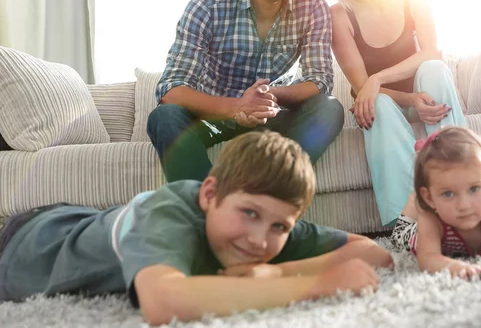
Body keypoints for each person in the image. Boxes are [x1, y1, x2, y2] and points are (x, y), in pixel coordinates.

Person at [0, 131, 393, 325]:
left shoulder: (266, 229)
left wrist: (277, 268)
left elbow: (374, 253)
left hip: (88, 220)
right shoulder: (168, 212)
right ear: (209, 194)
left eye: (279, 225)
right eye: (249, 214)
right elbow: (163, 304)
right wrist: (311, 284)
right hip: (24, 241)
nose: (259, 239)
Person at [147, 0, 344, 183]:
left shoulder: (312, 8)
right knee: (165, 116)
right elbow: (171, 90)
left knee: (328, 107)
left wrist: (267, 98)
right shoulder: (207, 5)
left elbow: (320, 80)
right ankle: (207, 210)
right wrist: (237, 105)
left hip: (271, 117)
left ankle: (274, 197)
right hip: (213, 117)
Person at [326, 0, 467, 227]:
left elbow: (431, 52)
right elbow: (362, 88)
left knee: (434, 69)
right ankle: (410, 221)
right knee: (375, 102)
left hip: (423, 91)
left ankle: (465, 186)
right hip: (384, 104)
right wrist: (387, 90)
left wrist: (378, 78)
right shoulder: (338, 16)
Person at [391, 126, 481, 279]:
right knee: (398, 236)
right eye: (448, 194)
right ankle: (424, 166)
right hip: (420, 231)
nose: (464, 205)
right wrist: (456, 266)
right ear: (429, 198)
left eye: (474, 189)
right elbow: (428, 258)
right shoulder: (430, 219)